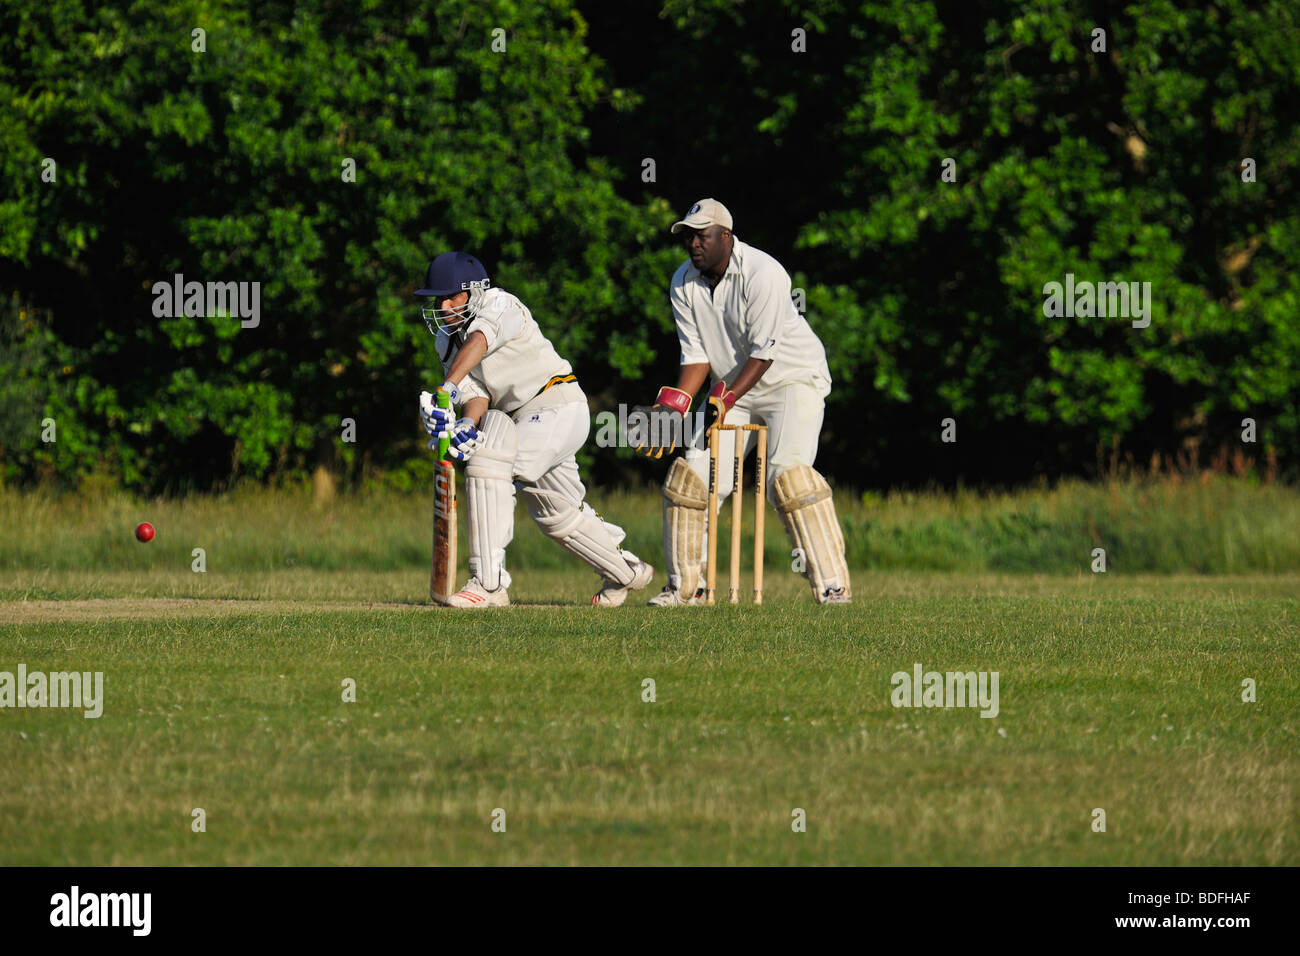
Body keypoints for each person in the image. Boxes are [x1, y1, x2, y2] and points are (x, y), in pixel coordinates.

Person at [636, 199, 851, 605]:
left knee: (787, 480)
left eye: (702, 236)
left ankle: (832, 585)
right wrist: (676, 405)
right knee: (690, 480)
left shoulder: (764, 273)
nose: (694, 245)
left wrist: (724, 397)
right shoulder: (683, 282)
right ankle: (687, 588)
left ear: (726, 236)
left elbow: (763, 353)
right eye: (689, 237)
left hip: (790, 379)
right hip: (730, 387)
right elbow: (696, 355)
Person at [415, 251, 653, 607]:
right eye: (439, 298)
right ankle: (627, 571)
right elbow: (477, 393)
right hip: (520, 420)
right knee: (555, 512)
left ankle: (489, 584)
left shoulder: (501, 305)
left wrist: (445, 389)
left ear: (475, 292)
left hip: (557, 405)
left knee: (487, 460)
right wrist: (465, 421)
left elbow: (480, 341)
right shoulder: (445, 340)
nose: (444, 305)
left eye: (452, 296)